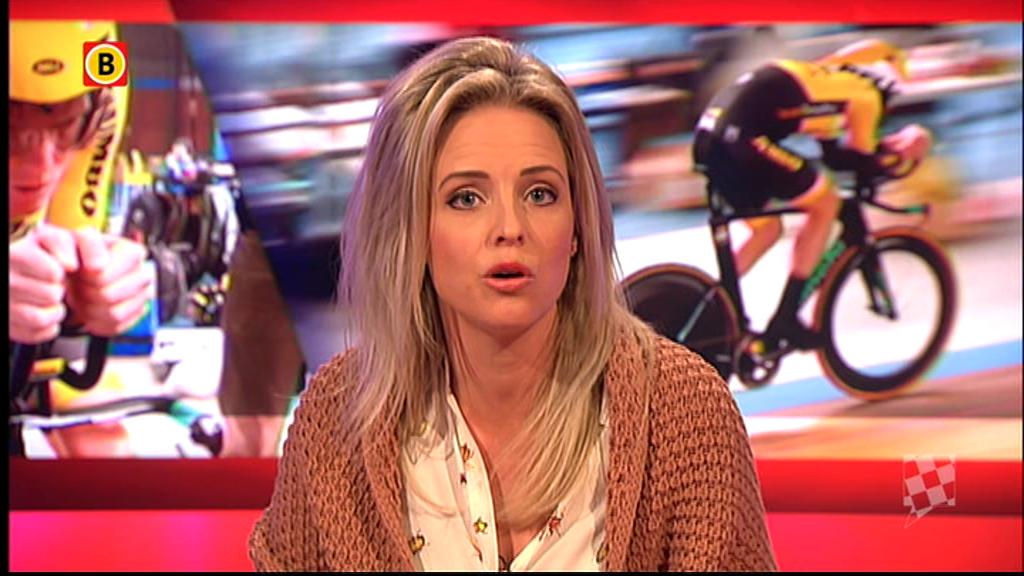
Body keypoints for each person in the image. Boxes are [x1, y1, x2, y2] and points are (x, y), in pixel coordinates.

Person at [250, 36, 776, 571]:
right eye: (466, 198)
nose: (509, 228)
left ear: (578, 226)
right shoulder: (338, 417)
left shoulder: (682, 411)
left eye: (540, 194)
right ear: (411, 230)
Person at [692, 38, 933, 353]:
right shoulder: (865, 94)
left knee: (768, 230)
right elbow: (863, 165)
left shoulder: (827, 80)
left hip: (711, 142)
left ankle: (707, 306)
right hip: (742, 141)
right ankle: (786, 319)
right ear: (883, 79)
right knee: (826, 203)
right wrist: (904, 151)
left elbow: (837, 158)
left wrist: (882, 151)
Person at [9, 20, 152, 456]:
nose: (41, 167)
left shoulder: (106, 74)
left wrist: (91, 296)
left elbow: (73, 236)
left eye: (66, 126)